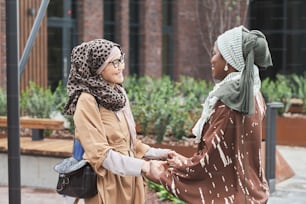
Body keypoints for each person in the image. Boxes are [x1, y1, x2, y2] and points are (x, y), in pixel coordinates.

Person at [146, 25, 273, 204]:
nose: (211, 60)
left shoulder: (232, 99)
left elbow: (210, 159)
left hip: (232, 196)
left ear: (228, 60)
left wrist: (166, 171)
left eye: (215, 54)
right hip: (251, 192)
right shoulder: (252, 92)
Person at [63, 39, 169, 204]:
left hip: (131, 182)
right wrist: (143, 166)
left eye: (122, 59)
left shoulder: (118, 94)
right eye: (114, 62)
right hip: (107, 186)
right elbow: (99, 154)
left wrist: (162, 154)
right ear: (97, 67)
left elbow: (129, 143)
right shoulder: (87, 100)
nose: (122, 66)